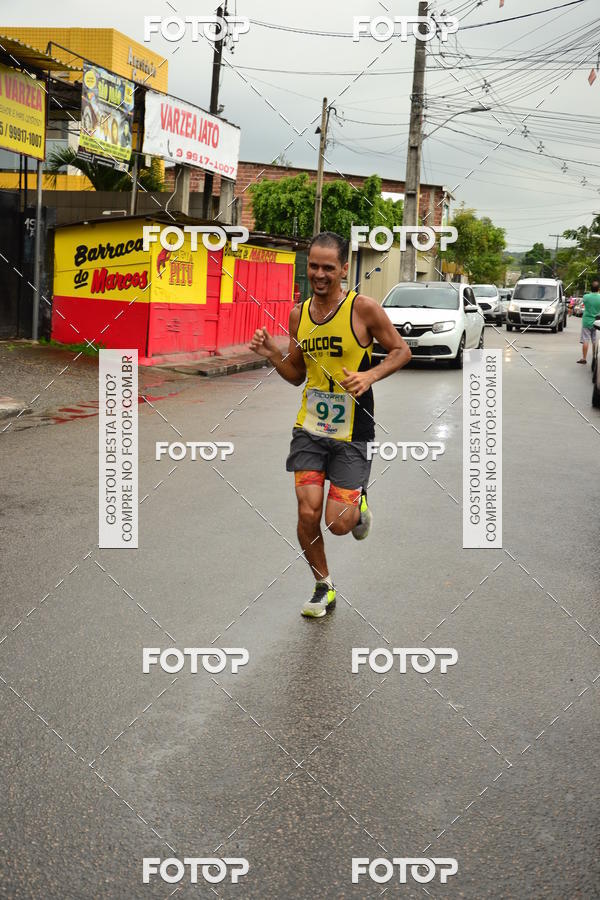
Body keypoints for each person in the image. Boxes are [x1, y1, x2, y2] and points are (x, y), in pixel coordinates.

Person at [249, 231, 411, 618]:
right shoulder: (297, 315)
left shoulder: (364, 309)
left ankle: (359, 502)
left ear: (343, 269)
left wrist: (369, 376)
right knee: (307, 514)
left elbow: (401, 351)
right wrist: (273, 353)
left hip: (354, 430)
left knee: (339, 524)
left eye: (328, 267)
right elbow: (296, 375)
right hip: (309, 429)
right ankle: (323, 586)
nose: (319, 274)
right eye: (313, 266)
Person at [577, 280, 600, 364]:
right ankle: (595, 357)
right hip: (597, 321)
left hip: (586, 321)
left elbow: (584, 303)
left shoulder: (586, 296)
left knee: (586, 340)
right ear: (598, 289)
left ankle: (584, 358)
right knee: (595, 340)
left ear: (591, 288)